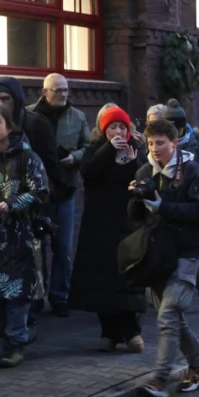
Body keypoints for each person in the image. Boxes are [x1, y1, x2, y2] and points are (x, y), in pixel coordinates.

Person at [130, 118, 199, 397]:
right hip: (157, 256)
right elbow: (135, 216)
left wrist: (164, 206)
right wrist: (135, 197)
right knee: (173, 316)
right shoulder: (144, 171)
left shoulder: (191, 171)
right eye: (151, 143)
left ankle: (159, 380)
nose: (154, 149)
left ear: (174, 143)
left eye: (160, 143)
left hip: (186, 253)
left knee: (167, 315)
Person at [0, 101, 50, 368]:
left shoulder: (26, 157)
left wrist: (12, 204)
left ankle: (14, 344)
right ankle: (23, 327)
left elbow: (40, 192)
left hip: (19, 236)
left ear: (8, 125)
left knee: (16, 293)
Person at [69, 105, 147, 352]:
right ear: (104, 130)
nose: (118, 131)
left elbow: (144, 181)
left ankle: (132, 331)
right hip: (99, 224)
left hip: (126, 223)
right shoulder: (96, 149)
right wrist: (108, 149)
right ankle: (108, 332)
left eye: (122, 127)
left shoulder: (135, 148)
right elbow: (88, 172)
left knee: (126, 277)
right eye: (113, 126)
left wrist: (135, 162)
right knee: (101, 279)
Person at [28, 73, 91, 317]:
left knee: (62, 248)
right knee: (37, 247)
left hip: (64, 190)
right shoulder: (30, 115)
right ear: (45, 92)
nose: (64, 94)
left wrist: (74, 157)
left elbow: (89, 147)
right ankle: (37, 295)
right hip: (36, 193)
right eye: (58, 90)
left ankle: (60, 297)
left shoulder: (77, 117)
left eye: (66, 90)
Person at [163, 99, 199, 312]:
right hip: (168, 207)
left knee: (192, 255)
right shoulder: (160, 145)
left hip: (191, 207)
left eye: (175, 127)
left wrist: (189, 176)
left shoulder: (198, 144)